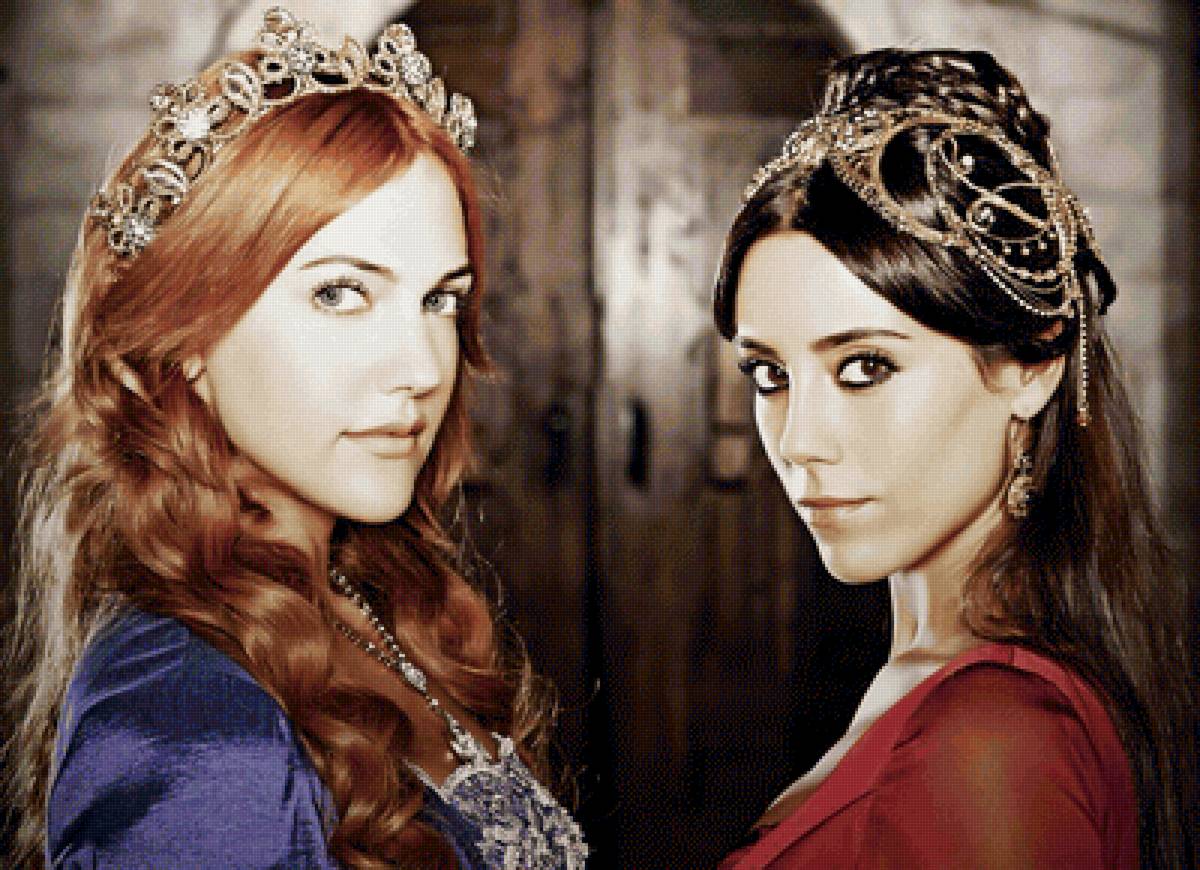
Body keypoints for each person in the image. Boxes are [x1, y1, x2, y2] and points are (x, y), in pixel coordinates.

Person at [4, 8, 586, 869]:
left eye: (440, 300)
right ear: (189, 335)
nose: (423, 367)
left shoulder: (365, 598)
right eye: (341, 293)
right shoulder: (190, 727)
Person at [712, 49, 1195, 869]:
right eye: (771, 375)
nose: (798, 442)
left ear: (1034, 366)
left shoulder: (992, 743)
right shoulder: (955, 687)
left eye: (865, 366)